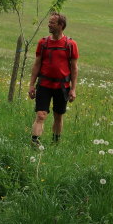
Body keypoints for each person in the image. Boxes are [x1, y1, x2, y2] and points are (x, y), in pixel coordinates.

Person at [28, 13, 79, 145]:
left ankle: (55, 143)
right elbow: (37, 64)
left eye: (52, 23)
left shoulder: (70, 44)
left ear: (61, 25)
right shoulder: (43, 43)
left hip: (62, 87)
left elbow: (74, 68)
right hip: (44, 85)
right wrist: (31, 85)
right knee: (41, 115)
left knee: (58, 116)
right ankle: (35, 143)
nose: (49, 25)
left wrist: (73, 89)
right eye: (49, 22)